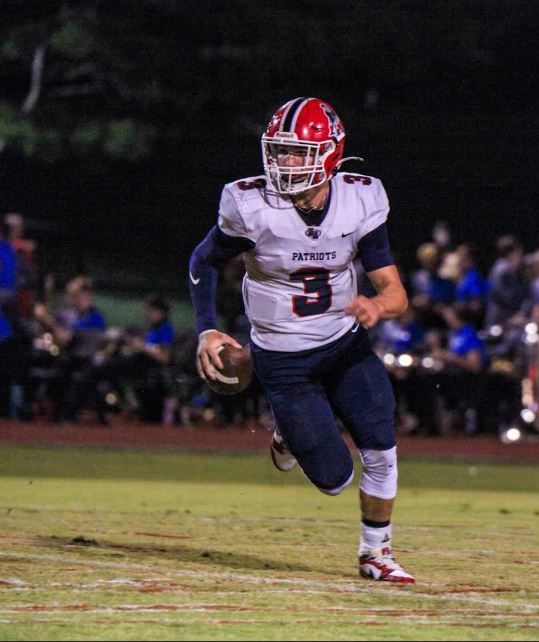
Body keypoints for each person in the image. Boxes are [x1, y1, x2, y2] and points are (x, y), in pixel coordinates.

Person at [189, 97, 415, 583]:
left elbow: (395, 292)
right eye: (280, 150)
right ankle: (288, 433)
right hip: (282, 358)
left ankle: (375, 552)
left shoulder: (360, 199)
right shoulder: (250, 205)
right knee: (335, 479)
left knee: (381, 446)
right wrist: (207, 326)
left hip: (344, 345)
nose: (285, 162)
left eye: (298, 151)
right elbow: (203, 260)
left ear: (331, 153)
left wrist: (377, 306)